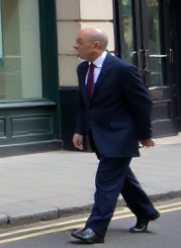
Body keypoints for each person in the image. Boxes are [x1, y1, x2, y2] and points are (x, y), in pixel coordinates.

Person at [70, 27, 159, 245]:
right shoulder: (83, 69)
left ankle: (95, 229)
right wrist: (80, 130)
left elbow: (143, 103)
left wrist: (144, 135)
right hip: (98, 135)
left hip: (120, 136)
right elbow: (84, 104)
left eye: (79, 41)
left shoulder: (123, 70)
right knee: (123, 179)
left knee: (105, 182)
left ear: (95, 45)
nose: (75, 45)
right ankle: (145, 211)